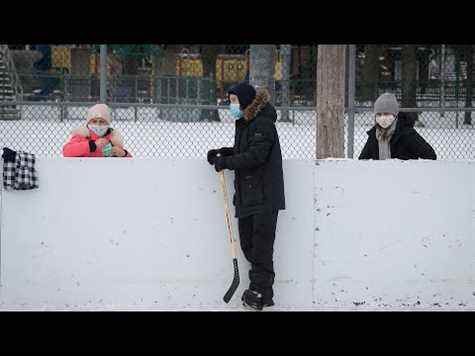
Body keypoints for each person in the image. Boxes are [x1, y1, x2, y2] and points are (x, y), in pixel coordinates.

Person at [207, 82, 285, 311]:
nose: (231, 105)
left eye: (234, 101)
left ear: (246, 101)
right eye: (229, 101)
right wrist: (223, 153)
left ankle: (260, 292)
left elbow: (255, 156)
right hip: (248, 196)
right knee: (249, 246)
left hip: (264, 196)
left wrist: (226, 163)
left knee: (260, 248)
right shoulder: (245, 123)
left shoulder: (263, 124)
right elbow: (243, 151)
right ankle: (262, 290)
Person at [359, 92, 437, 160]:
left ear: (395, 115)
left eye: (387, 114)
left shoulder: (406, 133)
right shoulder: (374, 135)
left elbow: (430, 155)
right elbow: (362, 160)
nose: (383, 118)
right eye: (379, 114)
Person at [63, 103, 132, 158]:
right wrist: (92, 145)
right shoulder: (82, 136)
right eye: (94, 121)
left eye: (102, 121)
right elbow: (67, 151)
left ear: (108, 123)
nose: (98, 124)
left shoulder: (113, 139)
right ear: (88, 123)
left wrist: (124, 154)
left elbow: (131, 163)